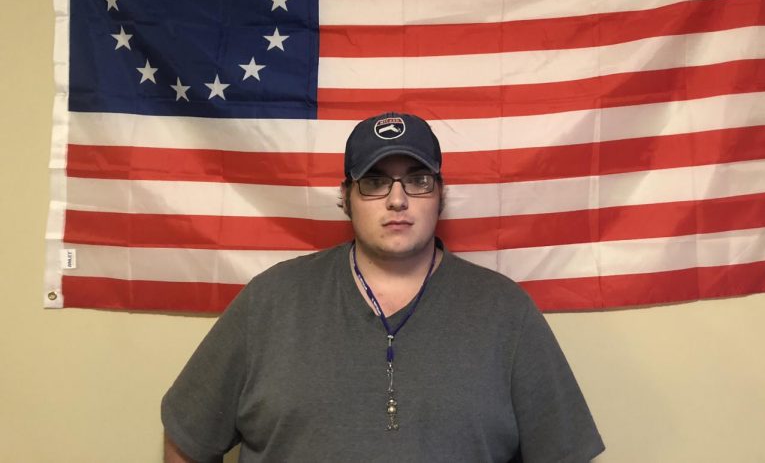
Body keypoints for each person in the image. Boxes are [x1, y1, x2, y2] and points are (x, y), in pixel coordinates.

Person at [162, 112, 604, 462]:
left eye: (417, 179)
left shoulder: (506, 313)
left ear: (440, 195)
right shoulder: (272, 300)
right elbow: (189, 437)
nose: (397, 199)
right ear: (346, 197)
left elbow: (565, 451)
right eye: (374, 182)